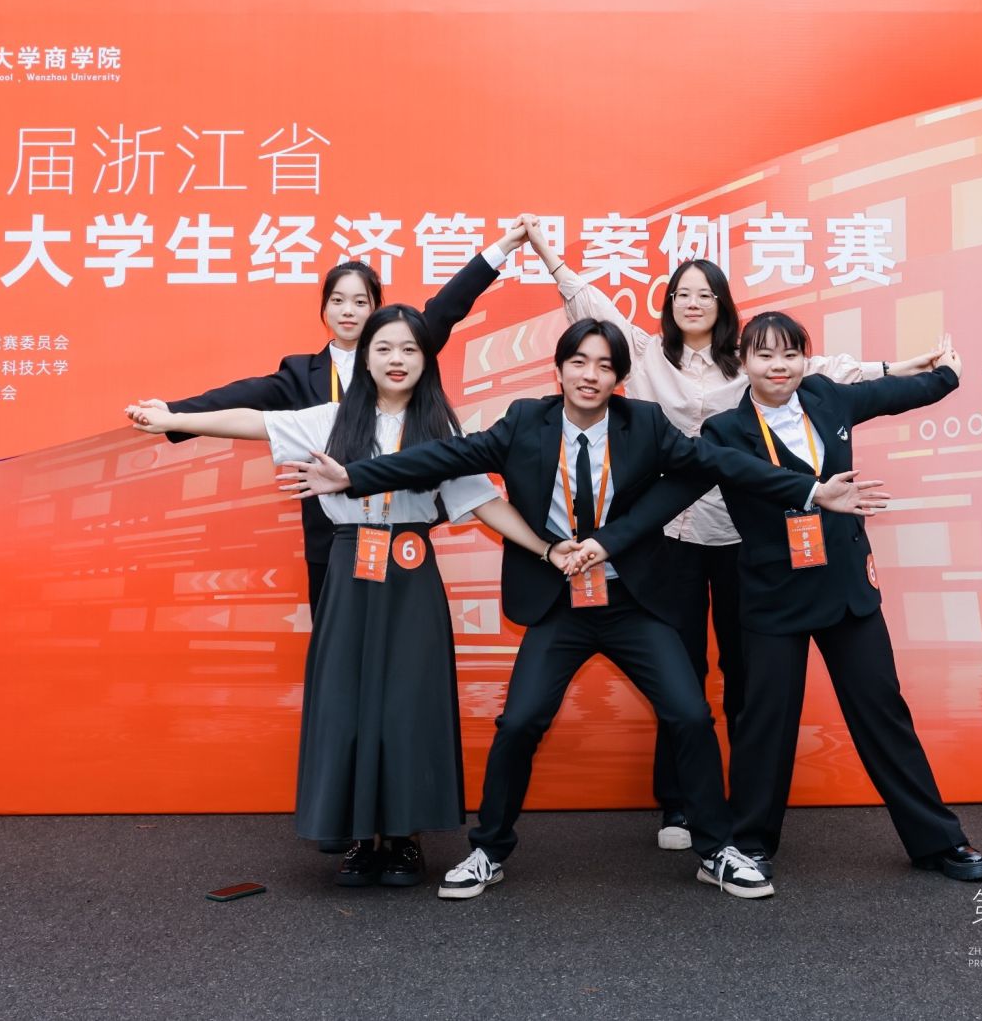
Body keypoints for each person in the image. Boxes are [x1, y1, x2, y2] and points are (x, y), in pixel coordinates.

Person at [282, 318, 891, 902]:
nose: (590, 375)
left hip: (631, 602)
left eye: (604, 366)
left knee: (688, 714)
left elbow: (720, 463)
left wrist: (811, 490)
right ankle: (488, 850)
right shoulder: (525, 421)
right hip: (560, 606)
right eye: (578, 362)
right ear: (559, 370)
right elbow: (443, 457)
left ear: (619, 379)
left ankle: (716, 851)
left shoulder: (644, 424)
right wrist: (353, 477)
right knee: (519, 722)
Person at [521, 218, 948, 851]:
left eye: (705, 294)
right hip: (673, 531)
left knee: (749, 676)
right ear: (668, 304)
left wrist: (900, 366)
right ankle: (680, 805)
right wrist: (547, 253)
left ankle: (748, 811)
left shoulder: (749, 366)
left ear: (723, 307)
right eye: (682, 294)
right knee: (680, 668)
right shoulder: (646, 355)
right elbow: (590, 305)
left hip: (744, 534)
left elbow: (827, 371)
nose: (693, 303)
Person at [124, 305, 564, 890]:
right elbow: (254, 421)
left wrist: (547, 549)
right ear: (365, 359)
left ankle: (403, 839)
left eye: (409, 349)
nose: (397, 360)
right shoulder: (329, 419)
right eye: (384, 348)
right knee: (346, 701)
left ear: (426, 359)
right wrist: (174, 417)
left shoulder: (440, 429)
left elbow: (485, 502)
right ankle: (359, 838)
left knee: (408, 705)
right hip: (349, 570)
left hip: (411, 574)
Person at [596, 311, 982, 885]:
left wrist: (947, 375)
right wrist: (607, 543)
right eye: (764, 355)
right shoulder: (725, 432)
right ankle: (751, 844)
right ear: (744, 363)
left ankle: (938, 841)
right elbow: (671, 494)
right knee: (765, 724)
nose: (778, 366)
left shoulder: (829, 398)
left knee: (883, 713)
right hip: (773, 597)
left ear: (805, 359)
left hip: (846, 592)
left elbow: (894, 395)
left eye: (790, 354)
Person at [156, 222, 531, 614]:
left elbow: (447, 306)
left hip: (401, 534)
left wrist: (503, 247)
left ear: (377, 310)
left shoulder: (400, 354)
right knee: (335, 636)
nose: (348, 311)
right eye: (337, 301)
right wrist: (172, 414)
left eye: (360, 302)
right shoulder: (301, 373)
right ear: (324, 309)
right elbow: (242, 401)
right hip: (332, 537)